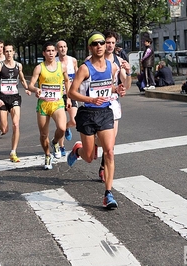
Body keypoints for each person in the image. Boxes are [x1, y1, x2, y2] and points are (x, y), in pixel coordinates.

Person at [67, 31, 126, 210]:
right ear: (90, 47)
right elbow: (71, 92)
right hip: (87, 114)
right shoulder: (84, 68)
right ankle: (78, 150)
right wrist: (90, 100)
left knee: (109, 151)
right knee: (89, 157)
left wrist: (117, 90)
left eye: (101, 43)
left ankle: (108, 193)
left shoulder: (112, 67)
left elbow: (109, 87)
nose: (99, 46)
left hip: (105, 112)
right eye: (95, 44)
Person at [92, 30, 132, 182]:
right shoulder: (94, 59)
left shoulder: (118, 61)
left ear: (116, 45)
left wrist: (128, 73)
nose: (109, 45)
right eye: (107, 42)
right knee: (101, 141)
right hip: (96, 104)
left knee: (111, 142)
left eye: (112, 43)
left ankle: (103, 168)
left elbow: (126, 85)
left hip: (113, 103)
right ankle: (93, 144)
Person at [28, 41, 70, 170]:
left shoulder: (61, 66)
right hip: (43, 104)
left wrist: (68, 97)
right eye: (48, 51)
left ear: (56, 52)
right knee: (43, 135)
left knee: (62, 128)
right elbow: (31, 85)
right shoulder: (39, 68)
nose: (51, 53)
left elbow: (67, 81)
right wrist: (36, 90)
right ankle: (47, 155)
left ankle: (55, 142)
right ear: (44, 53)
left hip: (57, 103)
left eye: (53, 51)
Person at [0, 43, 30, 162]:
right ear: (4, 53)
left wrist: (26, 88)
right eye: (6, 51)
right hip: (2, 98)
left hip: (15, 97)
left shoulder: (18, 66)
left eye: (10, 51)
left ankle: (13, 152)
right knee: (5, 130)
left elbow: (21, 78)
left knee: (16, 124)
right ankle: (0, 121)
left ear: (14, 52)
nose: (8, 53)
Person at [56, 40, 78, 156]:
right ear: (57, 49)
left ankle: (67, 127)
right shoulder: (53, 62)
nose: (63, 49)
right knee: (61, 125)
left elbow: (78, 75)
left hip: (71, 94)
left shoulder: (72, 60)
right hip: (58, 96)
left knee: (74, 120)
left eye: (64, 46)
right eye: (60, 47)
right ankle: (61, 146)